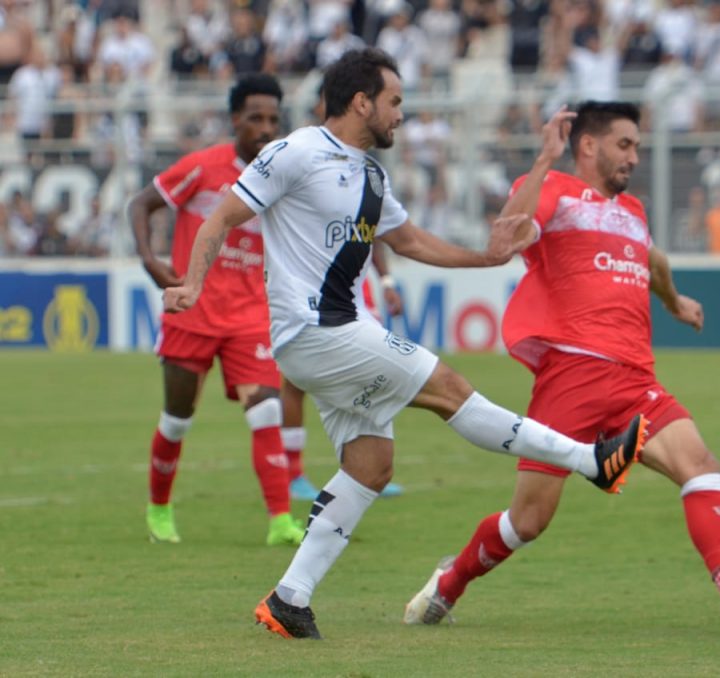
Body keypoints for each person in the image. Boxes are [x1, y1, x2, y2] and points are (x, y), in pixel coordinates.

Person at [162, 48, 646, 640]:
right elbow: (220, 217)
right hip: (320, 330)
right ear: (361, 101)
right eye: (394, 102)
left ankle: (290, 598)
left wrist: (487, 258)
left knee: (370, 464)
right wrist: (191, 283)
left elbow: (412, 240)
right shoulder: (296, 151)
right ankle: (589, 460)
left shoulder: (370, 174)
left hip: (332, 336)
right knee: (450, 391)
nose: (401, 115)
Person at [403, 101, 720, 637]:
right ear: (588, 145)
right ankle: (448, 583)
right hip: (571, 375)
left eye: (638, 147)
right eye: (625, 145)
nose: (634, 156)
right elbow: (505, 241)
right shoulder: (553, 188)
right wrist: (542, 160)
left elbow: (654, 260)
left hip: (634, 381)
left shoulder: (634, 211)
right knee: (527, 522)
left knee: (701, 465)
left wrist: (673, 301)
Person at [129, 73, 305, 548]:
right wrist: (150, 260)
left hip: (250, 317)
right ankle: (159, 508)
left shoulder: (286, 179)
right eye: (255, 118)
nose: (266, 128)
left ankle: (280, 522)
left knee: (267, 411)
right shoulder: (202, 168)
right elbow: (141, 204)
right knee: (177, 419)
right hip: (194, 311)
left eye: (273, 119)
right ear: (235, 120)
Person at [284, 244, 406, 501]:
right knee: (294, 381)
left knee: (369, 378)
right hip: (308, 291)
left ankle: (365, 470)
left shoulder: (367, 203)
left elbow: (376, 234)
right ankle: (292, 474)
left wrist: (386, 282)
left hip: (357, 295)